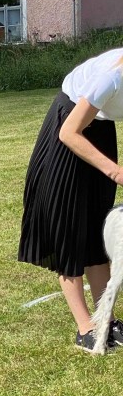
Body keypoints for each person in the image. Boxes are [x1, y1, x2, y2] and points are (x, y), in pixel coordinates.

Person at [19, 47, 123, 352]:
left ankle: (107, 321)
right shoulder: (111, 78)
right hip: (68, 127)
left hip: (101, 128)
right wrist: (115, 171)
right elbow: (69, 132)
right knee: (70, 228)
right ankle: (85, 328)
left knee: (96, 228)